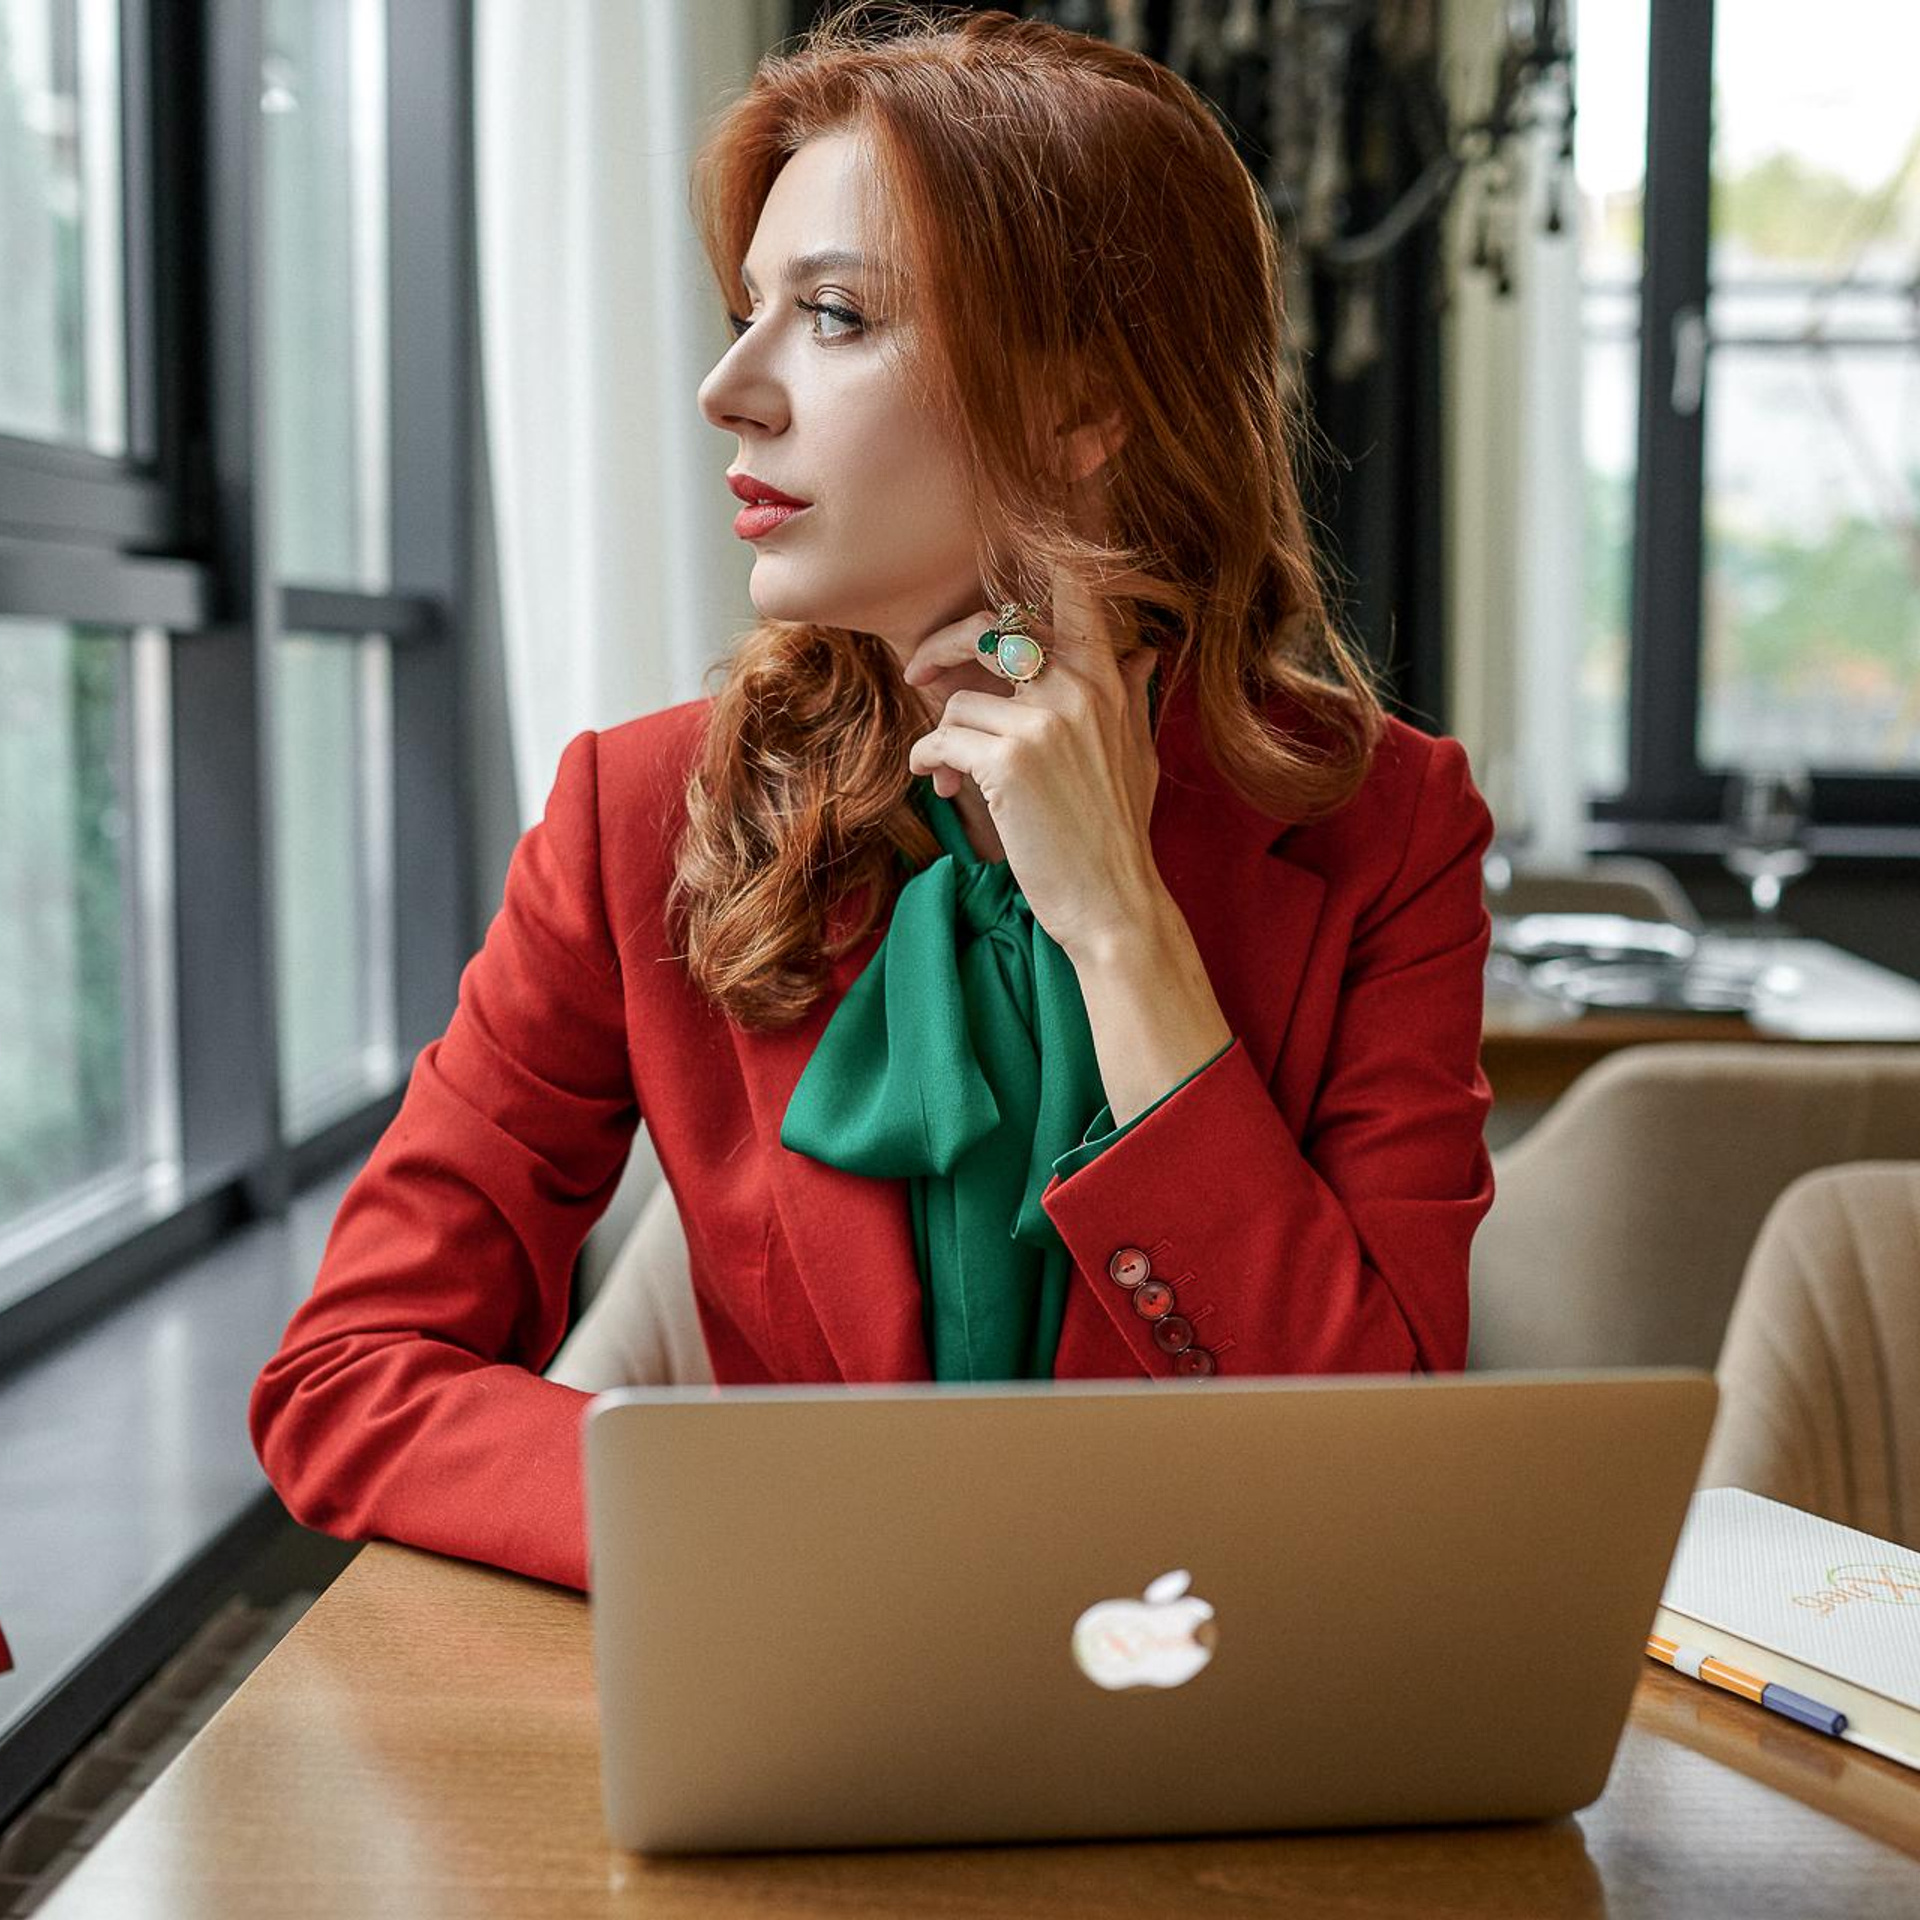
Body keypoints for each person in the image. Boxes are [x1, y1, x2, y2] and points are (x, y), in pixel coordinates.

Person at [249, 3, 1496, 1595]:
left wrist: (1118, 932)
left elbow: (1378, 1481)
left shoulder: (1385, 826)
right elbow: (345, 1378)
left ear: (1080, 407)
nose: (729, 389)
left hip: (1227, 1722)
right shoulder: (635, 814)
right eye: (747, 311)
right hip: (808, 1714)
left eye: (832, 317)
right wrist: (762, 1525)